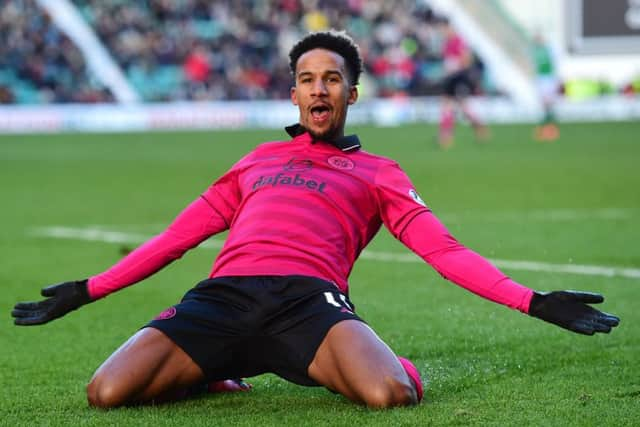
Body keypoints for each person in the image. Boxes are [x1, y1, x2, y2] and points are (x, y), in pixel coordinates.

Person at [12, 30, 619, 409]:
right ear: (295, 95)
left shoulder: (380, 173)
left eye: (332, 79)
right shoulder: (256, 162)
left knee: (390, 394)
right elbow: (176, 240)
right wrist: (86, 291)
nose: (319, 90)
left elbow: (445, 252)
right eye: (307, 80)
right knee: (106, 392)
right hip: (222, 298)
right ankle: (214, 371)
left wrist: (533, 301)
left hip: (309, 303)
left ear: (352, 93)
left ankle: (357, 357)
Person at [437, 18, 489, 148]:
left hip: (459, 77)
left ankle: (478, 127)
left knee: (462, 107)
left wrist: (458, 67)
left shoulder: (458, 41)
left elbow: (467, 58)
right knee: (447, 105)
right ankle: (446, 135)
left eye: (444, 29)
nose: (443, 32)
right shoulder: (447, 43)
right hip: (450, 78)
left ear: (449, 28)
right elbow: (447, 61)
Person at [531, 34, 560, 142]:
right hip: (540, 79)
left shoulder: (549, 49)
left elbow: (555, 64)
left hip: (549, 78)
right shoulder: (534, 51)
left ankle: (550, 128)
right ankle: (546, 128)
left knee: (548, 103)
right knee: (544, 104)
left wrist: (556, 79)